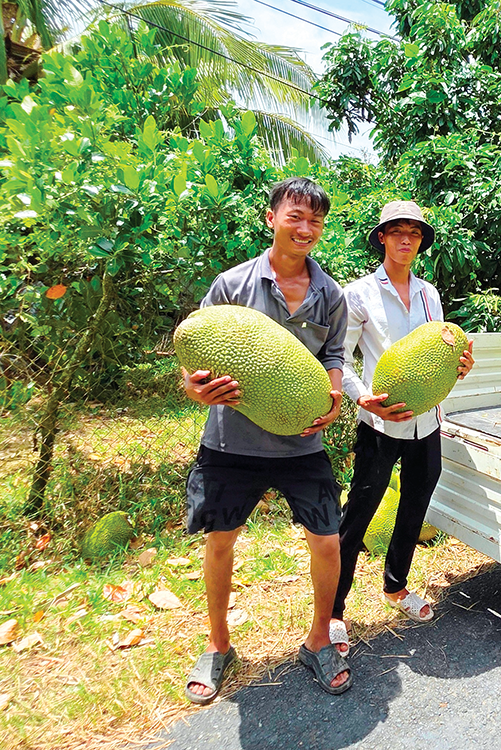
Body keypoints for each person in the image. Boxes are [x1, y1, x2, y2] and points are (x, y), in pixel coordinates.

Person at [180, 177, 352, 702]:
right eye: (295, 216)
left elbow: (333, 356)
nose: (305, 228)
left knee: (327, 539)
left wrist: (334, 396)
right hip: (230, 443)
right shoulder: (231, 284)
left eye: (315, 221)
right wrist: (194, 388)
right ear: (272, 218)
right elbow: (196, 354)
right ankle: (218, 644)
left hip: (301, 441)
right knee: (220, 541)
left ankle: (319, 638)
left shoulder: (330, 295)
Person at [330, 200, 474, 655]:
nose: (406, 239)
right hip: (380, 422)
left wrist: (460, 365)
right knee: (359, 512)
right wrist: (361, 396)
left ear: (421, 241)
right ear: (382, 238)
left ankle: (396, 586)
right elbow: (339, 357)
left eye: (414, 232)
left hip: (427, 423)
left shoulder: (431, 295)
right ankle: (333, 611)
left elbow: (438, 356)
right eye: (397, 231)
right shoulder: (358, 294)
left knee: (415, 505)